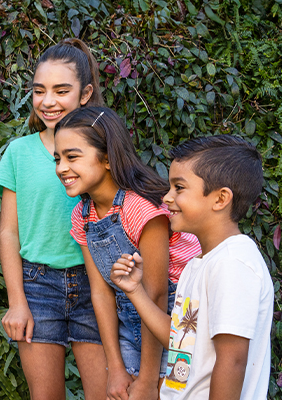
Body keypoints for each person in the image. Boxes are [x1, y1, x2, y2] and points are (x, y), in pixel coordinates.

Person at [53, 106, 201, 400]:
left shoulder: (141, 209)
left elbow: (156, 293)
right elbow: (101, 292)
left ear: (107, 158)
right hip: (128, 321)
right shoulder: (82, 216)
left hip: (170, 322)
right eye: (57, 159)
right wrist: (116, 367)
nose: (61, 168)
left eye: (72, 157)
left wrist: (147, 380)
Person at [110, 135, 273, 399]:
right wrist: (135, 291)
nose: (166, 197)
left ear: (220, 199)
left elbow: (232, 361)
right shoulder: (200, 263)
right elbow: (180, 342)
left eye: (179, 188)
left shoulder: (233, 263)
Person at [0, 39, 107, 399]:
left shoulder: (104, 147)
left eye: (61, 90)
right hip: (38, 287)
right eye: (39, 91)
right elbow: (9, 233)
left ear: (85, 93)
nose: (48, 101)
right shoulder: (20, 152)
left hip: (97, 284)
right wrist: (17, 301)